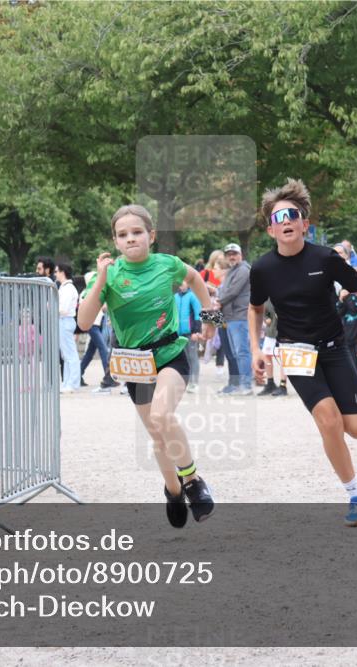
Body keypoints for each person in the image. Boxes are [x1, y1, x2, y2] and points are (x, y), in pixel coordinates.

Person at [248, 178, 357, 527]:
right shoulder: (261, 268)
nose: (287, 221)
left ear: (305, 224)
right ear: (271, 230)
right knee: (329, 420)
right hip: (295, 353)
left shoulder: (326, 258)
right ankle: (356, 496)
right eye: (279, 217)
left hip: (335, 348)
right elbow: (255, 308)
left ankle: (341, 435)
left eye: (293, 215)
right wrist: (255, 350)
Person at [77, 204, 217, 527]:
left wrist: (211, 317)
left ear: (151, 236)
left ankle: (194, 482)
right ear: (115, 241)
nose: (131, 239)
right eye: (123, 235)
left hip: (169, 354)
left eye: (137, 232)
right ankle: (173, 490)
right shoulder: (110, 275)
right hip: (134, 366)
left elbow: (196, 279)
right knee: (158, 437)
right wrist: (100, 280)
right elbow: (85, 322)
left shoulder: (166, 264)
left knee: (162, 414)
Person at [215, 242, 252, 395]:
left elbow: (233, 292)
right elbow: (224, 291)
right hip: (228, 317)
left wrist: (218, 302)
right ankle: (236, 384)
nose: (231, 256)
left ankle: (246, 385)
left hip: (239, 315)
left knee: (242, 351)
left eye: (234, 253)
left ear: (240, 254)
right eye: (229, 254)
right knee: (234, 352)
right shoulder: (232, 271)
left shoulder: (243, 269)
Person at [79, 271, 119, 392]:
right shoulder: (86, 294)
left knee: (90, 352)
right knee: (103, 349)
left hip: (97, 325)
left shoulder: (96, 291)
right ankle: (108, 379)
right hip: (93, 326)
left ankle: (78, 374)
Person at [56, 262, 82, 393]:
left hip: (65, 320)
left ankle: (72, 383)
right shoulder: (65, 288)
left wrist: (52, 308)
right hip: (64, 321)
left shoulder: (67, 288)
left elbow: (63, 309)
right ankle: (67, 383)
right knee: (66, 355)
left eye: (57, 271)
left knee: (70, 355)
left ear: (62, 272)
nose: (55, 274)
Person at [174, 279, 203, 393]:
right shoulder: (175, 297)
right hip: (178, 333)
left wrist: (196, 331)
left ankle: (194, 382)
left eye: (183, 282)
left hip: (190, 332)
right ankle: (185, 382)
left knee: (193, 357)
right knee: (183, 359)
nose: (181, 284)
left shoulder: (192, 296)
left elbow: (198, 314)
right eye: (179, 283)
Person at [257, 301, 288, 397]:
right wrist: (266, 318)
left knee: (284, 357)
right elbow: (264, 311)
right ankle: (270, 383)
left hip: (284, 332)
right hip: (270, 332)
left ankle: (283, 385)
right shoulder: (267, 298)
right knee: (266, 356)